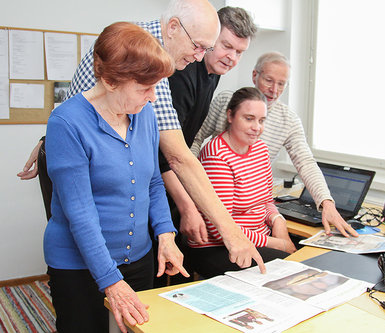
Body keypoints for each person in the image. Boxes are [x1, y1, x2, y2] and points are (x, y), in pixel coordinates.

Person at [17, 0, 266, 274]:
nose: (198, 57)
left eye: (205, 49)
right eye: (198, 46)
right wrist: (230, 232)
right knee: (85, 257)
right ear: (173, 27)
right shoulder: (143, 55)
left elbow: (158, 168)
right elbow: (177, 156)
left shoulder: (168, 64)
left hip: (112, 161)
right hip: (86, 163)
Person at [44, 22, 188, 333]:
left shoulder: (144, 114)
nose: (152, 98)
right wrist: (111, 282)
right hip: (78, 264)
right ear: (110, 81)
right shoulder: (67, 123)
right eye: (144, 88)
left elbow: (152, 182)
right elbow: (80, 214)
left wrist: (165, 233)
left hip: (138, 256)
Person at [191, 52, 359, 237]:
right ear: (255, 75)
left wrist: (326, 202)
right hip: (218, 201)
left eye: (282, 84)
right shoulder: (227, 103)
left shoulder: (288, 121)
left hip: (254, 210)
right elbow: (195, 138)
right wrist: (190, 188)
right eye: (269, 80)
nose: (274, 90)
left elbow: (305, 162)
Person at [163, 5, 256, 247]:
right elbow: (165, 155)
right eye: (227, 46)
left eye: (240, 52)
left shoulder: (213, 71)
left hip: (174, 174)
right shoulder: (183, 72)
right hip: (158, 177)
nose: (232, 58)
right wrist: (188, 207)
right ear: (211, 36)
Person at [188, 87, 297, 279]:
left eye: (261, 121)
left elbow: (266, 200)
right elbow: (219, 226)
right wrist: (277, 243)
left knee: (302, 264)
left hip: (259, 238)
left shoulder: (260, 150)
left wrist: (278, 222)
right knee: (290, 272)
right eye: (249, 118)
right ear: (230, 116)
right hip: (221, 245)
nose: (257, 127)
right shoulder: (216, 155)